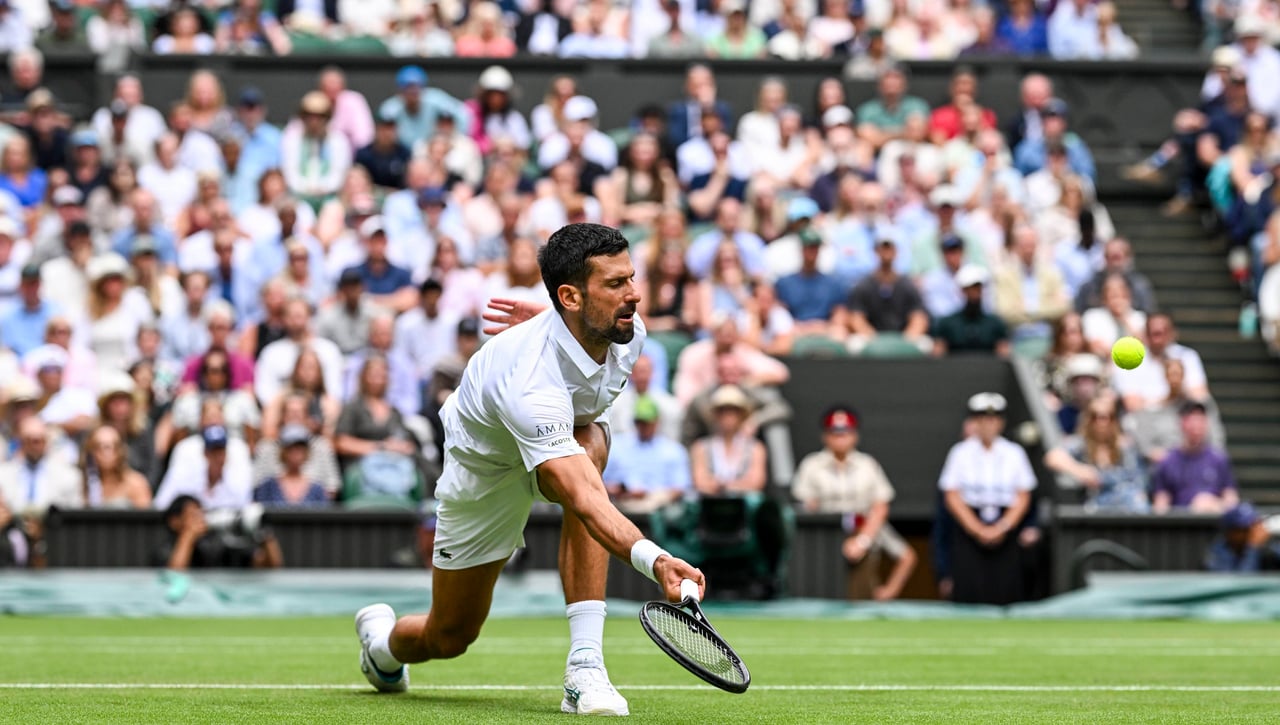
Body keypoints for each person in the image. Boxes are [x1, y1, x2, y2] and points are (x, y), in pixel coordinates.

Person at [354, 224, 704, 717]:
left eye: (630, 278)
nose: (634, 295)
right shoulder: (529, 381)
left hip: (567, 435)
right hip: (486, 469)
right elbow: (581, 497)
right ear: (571, 296)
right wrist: (657, 562)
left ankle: (585, 667)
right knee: (450, 634)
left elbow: (581, 469)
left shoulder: (626, 330)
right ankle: (382, 647)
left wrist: (552, 320)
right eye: (615, 284)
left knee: (588, 451)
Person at [791, 405, 916, 601]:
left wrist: (862, 541)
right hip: (826, 538)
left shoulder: (868, 465)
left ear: (855, 435)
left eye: (845, 433)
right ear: (825, 435)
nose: (840, 437)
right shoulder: (812, 465)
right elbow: (805, 507)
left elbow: (880, 506)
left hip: (863, 531)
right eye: (834, 433)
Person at [937, 392, 1036, 605]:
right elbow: (952, 496)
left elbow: (1023, 496)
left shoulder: (1014, 453)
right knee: (969, 589)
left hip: (1005, 526)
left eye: (993, 419)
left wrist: (1002, 527)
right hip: (970, 527)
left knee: (1005, 589)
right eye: (982, 419)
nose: (988, 424)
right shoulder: (960, 453)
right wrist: (977, 529)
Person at [1045, 394, 1148, 512]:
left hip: (1126, 506)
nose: (1100, 422)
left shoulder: (1125, 446)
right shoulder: (1081, 444)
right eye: (1095, 416)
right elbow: (1052, 457)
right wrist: (1079, 470)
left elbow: (1138, 480)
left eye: (1105, 417)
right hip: (1095, 506)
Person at [601, 395, 690, 515]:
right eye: (640, 422)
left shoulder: (673, 450)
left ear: (657, 421)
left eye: (648, 422)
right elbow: (602, 480)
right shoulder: (617, 446)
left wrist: (652, 495)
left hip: (657, 506)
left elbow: (680, 487)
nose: (643, 426)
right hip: (620, 503)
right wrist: (616, 490)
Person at [152, 494, 283, 571]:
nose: (201, 520)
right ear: (174, 521)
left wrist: (265, 536)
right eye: (193, 516)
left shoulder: (217, 543)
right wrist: (188, 536)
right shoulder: (165, 550)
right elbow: (173, 576)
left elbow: (271, 566)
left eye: (201, 514)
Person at [1151, 401, 1239, 514]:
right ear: (1182, 423)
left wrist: (1212, 504)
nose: (1196, 428)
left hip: (1214, 523)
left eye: (1200, 421)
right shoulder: (1168, 462)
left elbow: (1230, 498)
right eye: (1191, 422)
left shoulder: (1219, 459)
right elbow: (1161, 503)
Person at [1205, 503, 1280, 572]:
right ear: (1230, 532)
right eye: (1245, 529)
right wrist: (1253, 548)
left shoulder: (1266, 547)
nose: (1252, 532)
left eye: (1255, 525)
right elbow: (1240, 584)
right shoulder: (1217, 554)